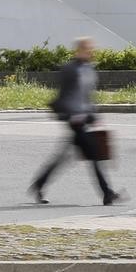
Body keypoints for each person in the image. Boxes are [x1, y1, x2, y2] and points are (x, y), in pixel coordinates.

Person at [29, 37, 122, 205]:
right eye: (87, 48)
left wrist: (94, 114)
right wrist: (67, 114)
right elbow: (62, 95)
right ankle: (107, 193)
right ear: (79, 50)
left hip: (85, 118)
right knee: (94, 155)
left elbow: (88, 95)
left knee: (65, 157)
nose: (91, 51)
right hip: (74, 120)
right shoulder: (70, 69)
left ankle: (39, 184)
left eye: (91, 48)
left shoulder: (89, 69)